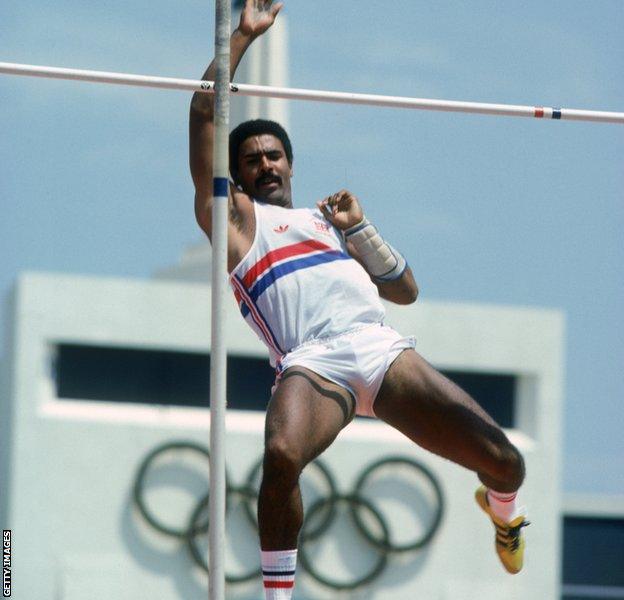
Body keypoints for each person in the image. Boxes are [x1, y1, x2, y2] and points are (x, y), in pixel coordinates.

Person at [189, 1, 529, 597]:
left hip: (378, 349)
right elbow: (203, 114)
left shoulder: (327, 222)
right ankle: (277, 595)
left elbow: (405, 292)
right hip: (312, 363)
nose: (265, 163)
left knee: (506, 461)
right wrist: (240, 37)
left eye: (273, 154)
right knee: (281, 453)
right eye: (252, 160)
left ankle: (502, 513)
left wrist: (360, 229)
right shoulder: (239, 223)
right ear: (237, 177)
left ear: (290, 163)